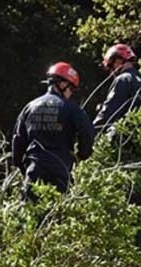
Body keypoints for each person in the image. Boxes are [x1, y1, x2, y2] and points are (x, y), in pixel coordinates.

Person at [12, 62, 95, 201]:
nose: (71, 93)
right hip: (60, 170)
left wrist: (20, 166)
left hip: (34, 170)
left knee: (29, 215)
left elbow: (18, 139)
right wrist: (81, 155)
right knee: (58, 216)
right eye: (71, 89)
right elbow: (87, 133)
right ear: (63, 84)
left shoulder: (29, 107)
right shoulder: (72, 109)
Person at [93, 44, 141, 133]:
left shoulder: (123, 79)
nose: (111, 72)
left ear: (118, 61)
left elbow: (109, 111)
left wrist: (90, 131)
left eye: (110, 66)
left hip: (124, 136)